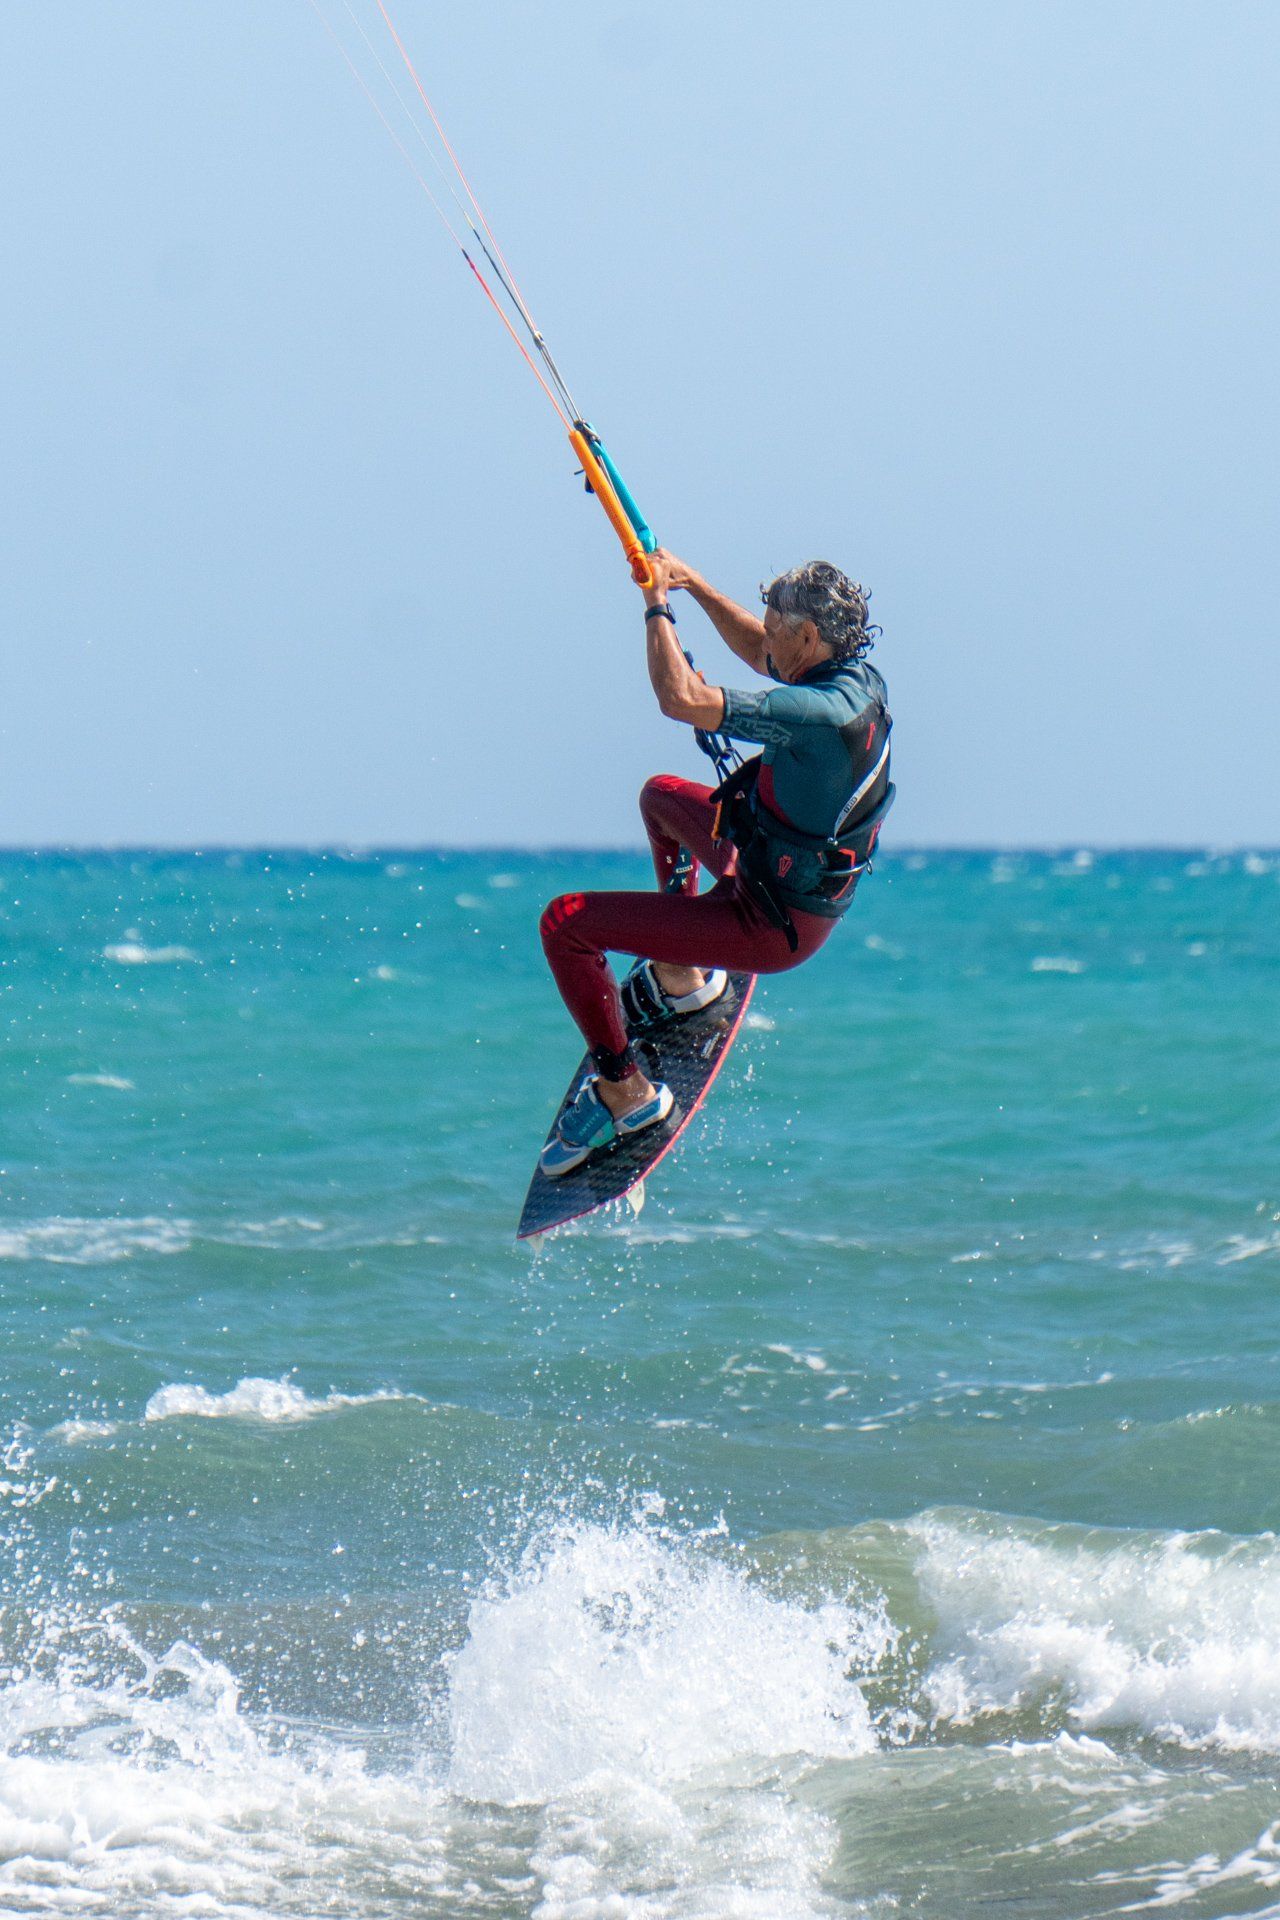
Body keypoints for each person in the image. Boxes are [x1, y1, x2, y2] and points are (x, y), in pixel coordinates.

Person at [537, 550, 894, 1176]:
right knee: (662, 798)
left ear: (808, 635)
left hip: (770, 923)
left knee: (565, 924)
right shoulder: (852, 679)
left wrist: (656, 604)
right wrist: (693, 583)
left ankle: (627, 1093)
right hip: (762, 862)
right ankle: (681, 974)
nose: (765, 637)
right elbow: (760, 652)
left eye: (775, 626)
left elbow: (680, 698)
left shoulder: (816, 715)